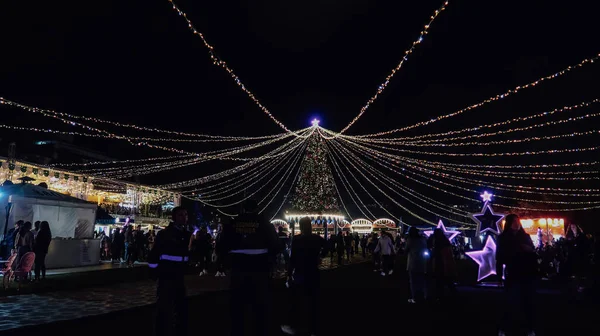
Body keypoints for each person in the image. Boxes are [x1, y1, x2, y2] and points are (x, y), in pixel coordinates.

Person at [219, 199, 280, 336]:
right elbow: (275, 245)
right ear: (257, 209)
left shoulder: (233, 223)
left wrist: (227, 262)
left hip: (238, 269)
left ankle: (237, 330)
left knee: (237, 306)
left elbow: (222, 245)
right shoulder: (264, 224)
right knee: (260, 305)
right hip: (260, 269)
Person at [148, 206, 192, 336]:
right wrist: (154, 273)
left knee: (181, 308)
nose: (184, 218)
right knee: (164, 308)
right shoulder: (165, 234)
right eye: (180, 215)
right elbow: (154, 255)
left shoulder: (186, 234)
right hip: (166, 275)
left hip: (179, 276)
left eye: (186, 215)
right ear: (174, 218)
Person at [281, 217, 327, 336]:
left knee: (296, 301)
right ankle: (313, 330)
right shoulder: (317, 238)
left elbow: (293, 259)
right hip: (313, 273)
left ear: (301, 226)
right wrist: (320, 256)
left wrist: (289, 274)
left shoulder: (297, 239)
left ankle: (293, 326)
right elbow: (328, 246)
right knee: (313, 303)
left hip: (300, 272)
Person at [496, 214, 537, 336]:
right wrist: (499, 276)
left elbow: (532, 252)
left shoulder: (525, 236)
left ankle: (530, 328)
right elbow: (499, 257)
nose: (516, 223)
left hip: (526, 272)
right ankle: (504, 328)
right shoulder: (503, 238)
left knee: (527, 302)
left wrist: (528, 249)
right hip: (512, 273)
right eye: (514, 221)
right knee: (510, 302)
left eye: (517, 221)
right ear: (509, 223)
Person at [405, 227, 428, 303]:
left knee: (413, 281)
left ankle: (414, 297)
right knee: (422, 280)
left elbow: (406, 250)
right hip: (422, 261)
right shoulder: (422, 240)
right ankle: (424, 295)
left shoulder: (410, 240)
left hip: (412, 262)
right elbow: (425, 248)